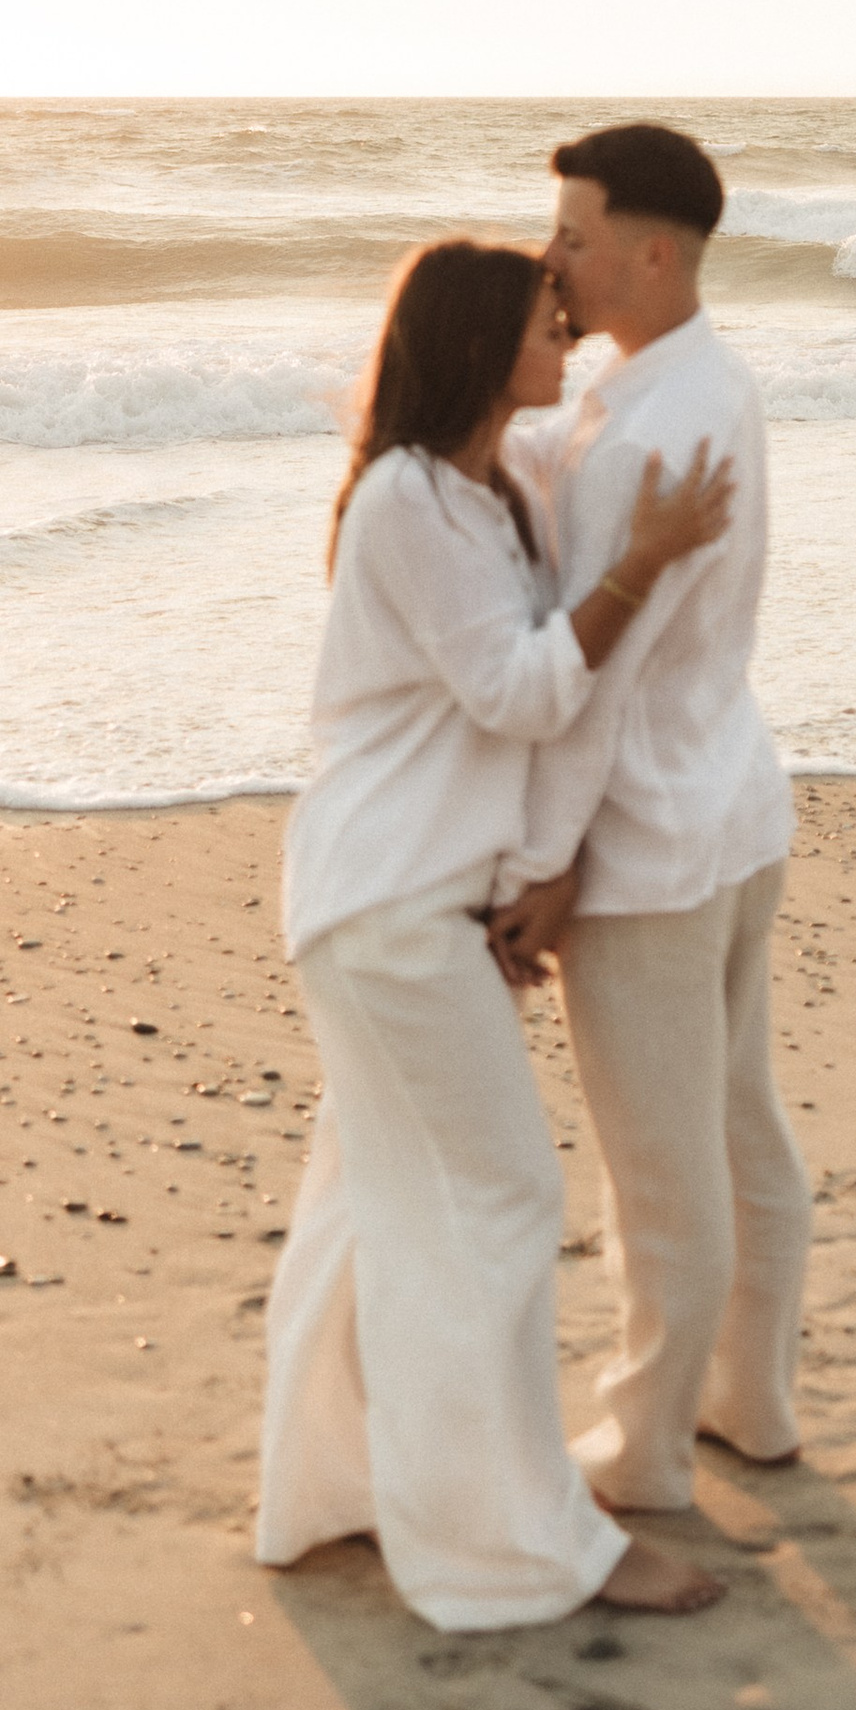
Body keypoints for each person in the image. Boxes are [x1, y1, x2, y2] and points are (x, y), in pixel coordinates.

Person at [255, 237, 735, 1631]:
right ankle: (511, 1543)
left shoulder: (497, 486)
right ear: (475, 344)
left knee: (372, 1207)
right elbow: (524, 693)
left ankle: (331, 1491)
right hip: (383, 906)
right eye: (544, 321)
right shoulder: (407, 501)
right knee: (497, 1201)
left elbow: (525, 707)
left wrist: (529, 873)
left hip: (424, 897)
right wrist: (641, 564)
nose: (570, 336)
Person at [490, 123, 814, 1515]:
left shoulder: (647, 439)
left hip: (652, 843)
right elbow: (564, 440)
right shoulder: (698, 385)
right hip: (731, 804)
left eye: (569, 233)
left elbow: (592, 688)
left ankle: (645, 1449)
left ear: (650, 251)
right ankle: (754, 1397)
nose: (548, 256)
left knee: (660, 1171)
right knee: (742, 1131)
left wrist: (545, 865)